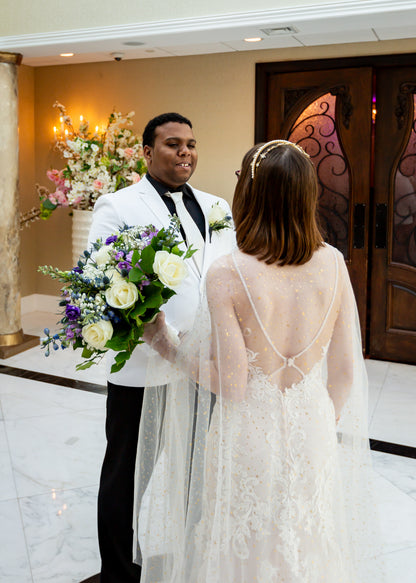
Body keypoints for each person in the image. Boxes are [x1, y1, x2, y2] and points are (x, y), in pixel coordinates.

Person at [139, 140, 384, 582]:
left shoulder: (228, 273)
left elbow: (232, 384)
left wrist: (167, 345)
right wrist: (315, 422)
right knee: (307, 543)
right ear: (306, 195)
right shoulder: (334, 262)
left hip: (247, 434)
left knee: (243, 549)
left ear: (250, 195)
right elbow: (346, 372)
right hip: (313, 427)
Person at [87, 112, 235, 582]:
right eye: (173, 144)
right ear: (148, 153)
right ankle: (117, 569)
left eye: (190, 144)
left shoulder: (217, 206)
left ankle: (191, 555)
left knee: (197, 471)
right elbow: (99, 282)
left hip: (201, 366)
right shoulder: (118, 205)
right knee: (127, 475)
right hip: (144, 367)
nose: (185, 152)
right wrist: (152, 327)